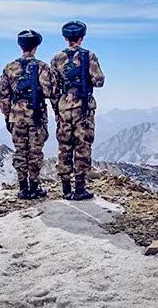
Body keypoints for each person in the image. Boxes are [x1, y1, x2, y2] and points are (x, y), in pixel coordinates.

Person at [50, 20, 105, 200]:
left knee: (64, 146)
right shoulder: (89, 56)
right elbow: (99, 81)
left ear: (66, 38)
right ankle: (80, 188)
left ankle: (66, 189)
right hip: (83, 107)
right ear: (82, 37)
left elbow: (53, 87)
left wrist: (57, 109)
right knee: (82, 145)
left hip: (64, 107)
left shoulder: (56, 58)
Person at [0, 29, 55, 199]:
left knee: (20, 151)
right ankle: (35, 186)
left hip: (16, 116)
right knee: (35, 152)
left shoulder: (9, 68)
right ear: (36, 46)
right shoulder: (42, 67)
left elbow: (4, 97)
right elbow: (49, 91)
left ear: (20, 46)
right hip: (36, 115)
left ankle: (23, 188)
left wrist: (7, 116)